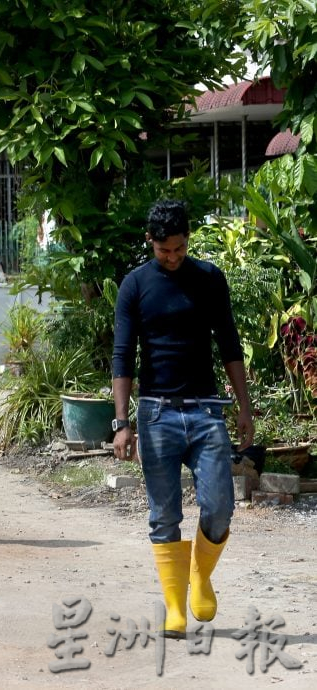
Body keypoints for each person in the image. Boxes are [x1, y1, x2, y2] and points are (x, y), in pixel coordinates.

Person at [112, 199, 254, 639]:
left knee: (219, 507)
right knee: (164, 515)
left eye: (178, 248)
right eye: (163, 250)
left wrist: (244, 405)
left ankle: (200, 575)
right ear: (150, 242)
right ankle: (175, 607)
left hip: (206, 411)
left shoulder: (209, 279)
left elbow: (229, 343)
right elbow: (123, 354)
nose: (171, 257)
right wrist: (122, 421)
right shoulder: (134, 286)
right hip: (156, 414)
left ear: (186, 240)